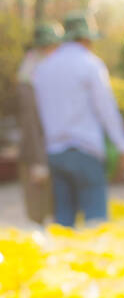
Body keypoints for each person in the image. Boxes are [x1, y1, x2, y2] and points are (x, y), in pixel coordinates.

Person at [31, 11, 124, 229]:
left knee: (64, 222)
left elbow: (40, 115)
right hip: (86, 151)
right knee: (95, 222)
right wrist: (123, 146)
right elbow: (106, 109)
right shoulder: (90, 64)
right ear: (86, 38)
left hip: (56, 152)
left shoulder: (43, 69)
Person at [15, 21, 61, 226]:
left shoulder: (40, 68)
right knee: (40, 218)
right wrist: (38, 162)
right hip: (37, 156)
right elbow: (31, 123)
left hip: (48, 152)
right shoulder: (31, 76)